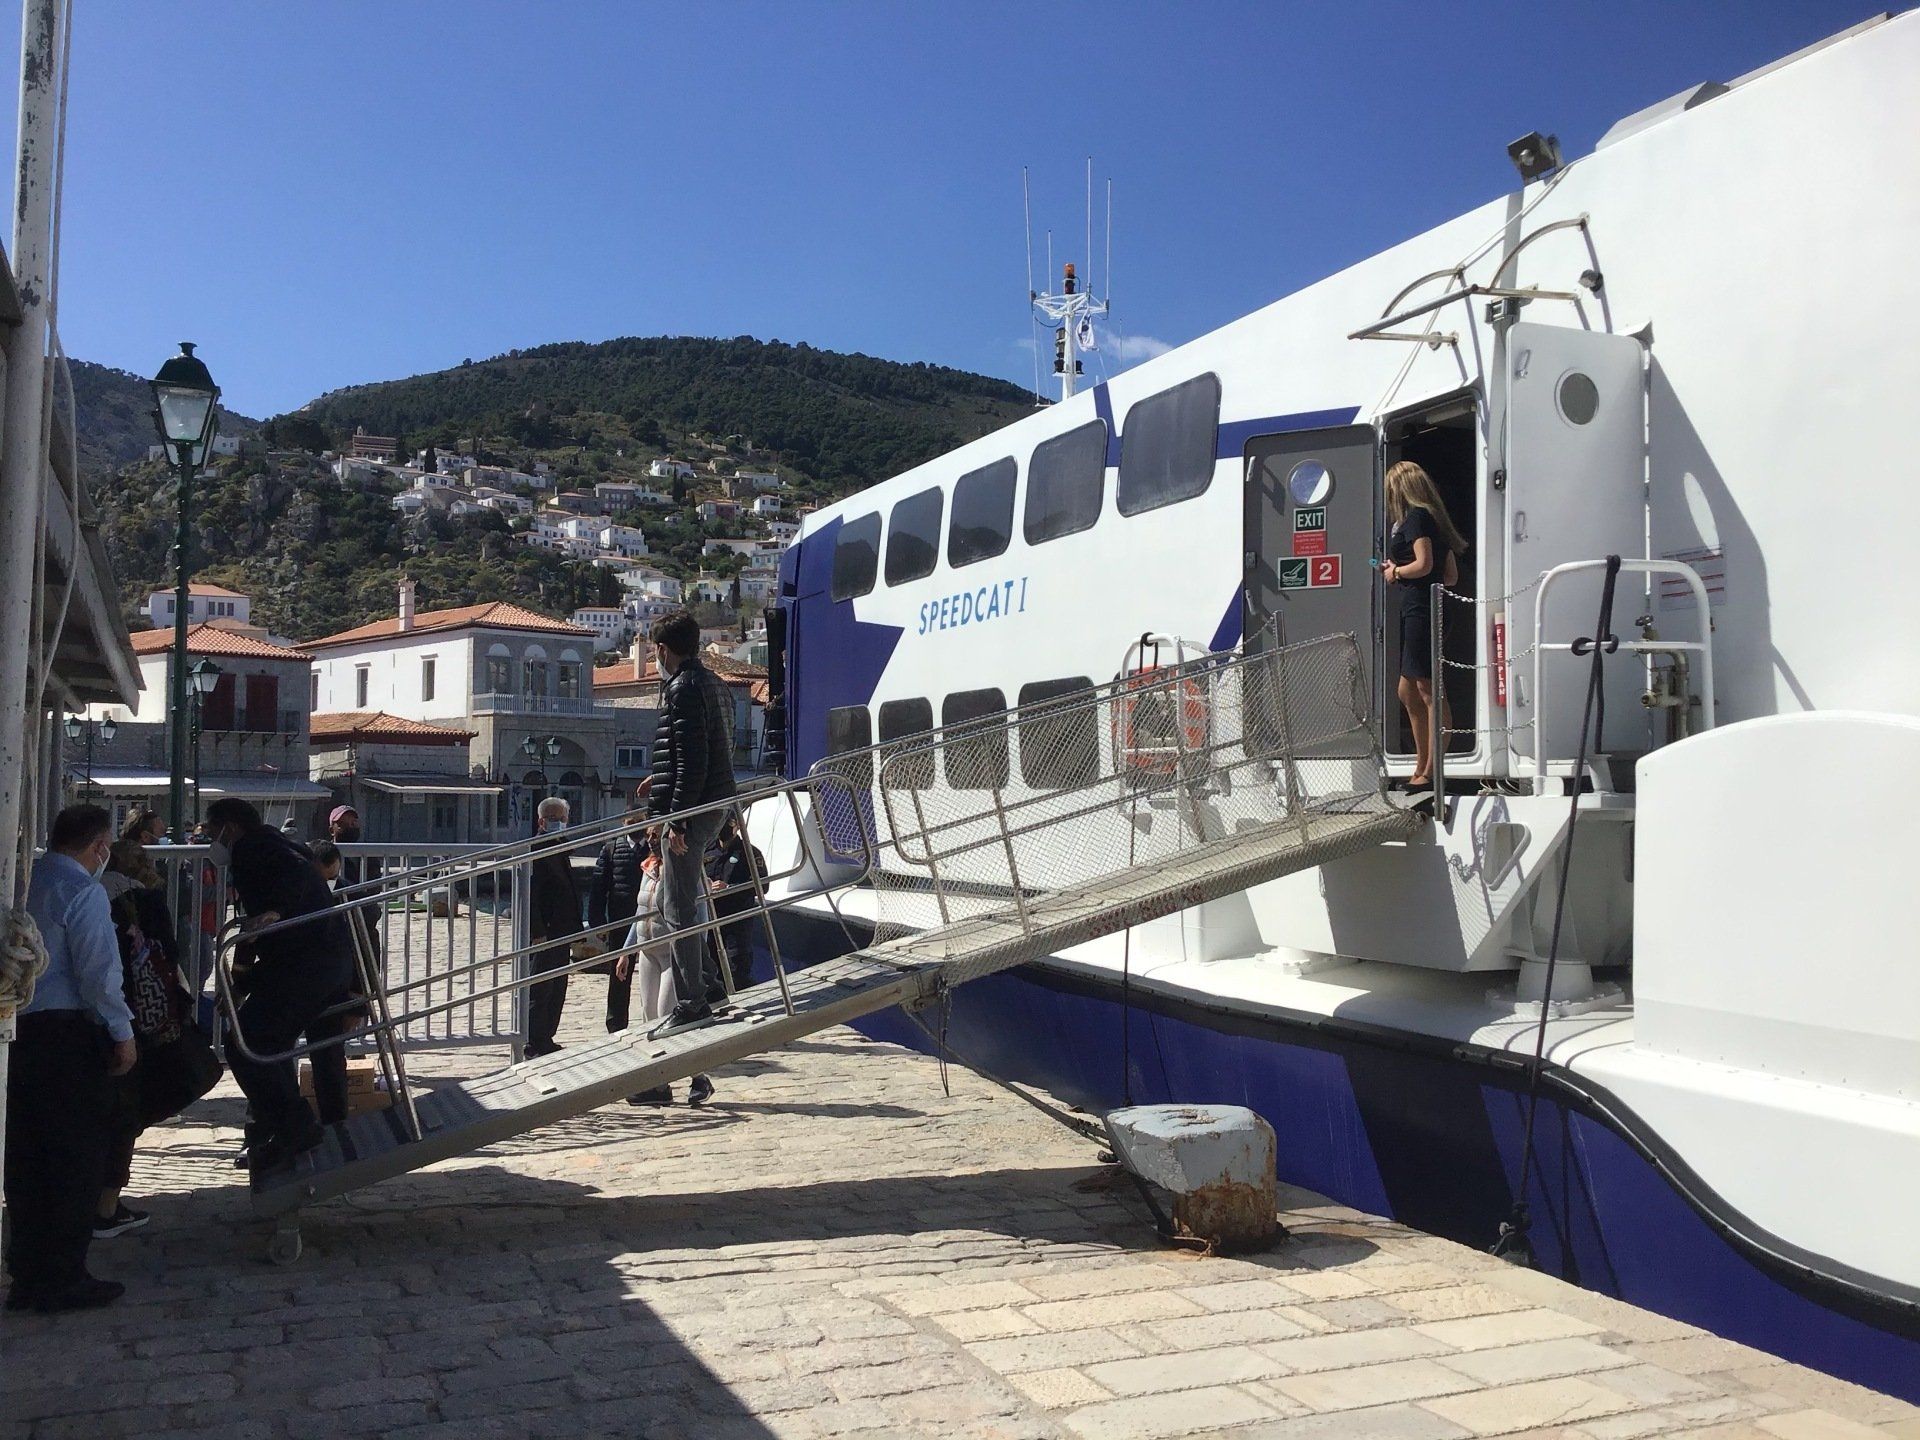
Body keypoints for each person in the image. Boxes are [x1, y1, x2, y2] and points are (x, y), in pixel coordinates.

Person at [4, 804, 135, 1313]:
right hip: (66, 1038)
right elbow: (100, 975)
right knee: (75, 1159)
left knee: (27, 1156)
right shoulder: (83, 893)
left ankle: (28, 1269)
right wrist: (123, 1034)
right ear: (100, 846)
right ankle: (63, 1274)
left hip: (19, 1029)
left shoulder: (23, 880)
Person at [204, 797, 353, 1170]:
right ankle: (275, 1131)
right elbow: (258, 922)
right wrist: (241, 981)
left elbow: (258, 920)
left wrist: (276, 912)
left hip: (305, 965)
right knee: (268, 1043)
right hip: (323, 961)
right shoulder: (283, 842)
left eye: (212, 831)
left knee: (247, 1045)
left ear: (230, 828)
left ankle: (296, 1127)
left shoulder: (251, 849)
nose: (210, 840)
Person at [638, 610, 736, 1030]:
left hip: (693, 810)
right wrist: (660, 802)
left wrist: (675, 820)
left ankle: (692, 1001)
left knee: (677, 906)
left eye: (654, 650)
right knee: (671, 900)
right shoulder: (713, 683)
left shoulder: (682, 687)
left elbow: (691, 762)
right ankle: (710, 983)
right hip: (714, 804)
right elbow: (700, 754)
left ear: (662, 649)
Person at [1380, 460, 1467, 794]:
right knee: (1408, 690)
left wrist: (1396, 573)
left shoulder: (1416, 518)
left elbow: (1424, 563)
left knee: (1428, 690)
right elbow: (1450, 576)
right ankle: (1422, 764)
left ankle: (1430, 770)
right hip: (1425, 606)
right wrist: (1402, 569)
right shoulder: (1433, 519)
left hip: (1420, 609)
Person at [614, 839, 713, 1107]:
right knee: (649, 1019)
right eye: (650, 836)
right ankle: (659, 1084)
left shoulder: (688, 873)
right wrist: (626, 951)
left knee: (667, 1016)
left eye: (657, 835)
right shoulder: (647, 869)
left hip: (674, 955)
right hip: (648, 952)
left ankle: (698, 1076)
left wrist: (695, 959)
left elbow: (700, 918)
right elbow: (639, 912)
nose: (651, 841)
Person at [589, 786, 650, 1035]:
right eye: (631, 821)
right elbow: (598, 887)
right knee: (619, 974)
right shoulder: (611, 848)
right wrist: (597, 922)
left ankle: (653, 1016)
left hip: (648, 918)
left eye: (640, 821)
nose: (635, 825)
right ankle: (616, 1023)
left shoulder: (654, 848)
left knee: (651, 969)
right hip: (620, 920)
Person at [525, 796, 581, 1058]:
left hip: (562, 929)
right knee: (542, 987)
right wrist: (537, 930)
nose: (559, 823)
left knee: (558, 985)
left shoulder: (560, 847)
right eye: (554, 819)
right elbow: (532, 894)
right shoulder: (537, 849)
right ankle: (535, 1040)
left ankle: (546, 1037)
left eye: (562, 818)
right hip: (545, 931)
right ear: (541, 821)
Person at [706, 814, 766, 993]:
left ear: (738, 825)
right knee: (711, 972)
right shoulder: (707, 851)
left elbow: (763, 885)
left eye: (727, 824)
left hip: (737, 924)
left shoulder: (750, 852)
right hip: (711, 922)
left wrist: (729, 887)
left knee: (737, 972)